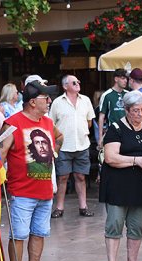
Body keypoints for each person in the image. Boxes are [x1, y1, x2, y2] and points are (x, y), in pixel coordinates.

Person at [0, 75, 60, 261]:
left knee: (39, 234)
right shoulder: (13, 123)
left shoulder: (48, 123)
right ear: (33, 101)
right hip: (21, 191)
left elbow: (58, 140)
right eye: (46, 98)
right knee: (19, 235)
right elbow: (1, 153)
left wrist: (54, 153)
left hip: (44, 190)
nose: (49, 101)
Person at [100, 90, 142, 261]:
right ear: (126, 110)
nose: (140, 114)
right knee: (115, 224)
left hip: (141, 186)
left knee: (137, 226)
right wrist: (135, 160)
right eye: (136, 110)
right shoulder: (116, 128)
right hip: (118, 184)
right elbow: (111, 157)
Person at [49, 74, 96, 218]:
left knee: (80, 176)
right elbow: (51, 124)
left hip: (82, 144)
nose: (78, 83)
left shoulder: (86, 100)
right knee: (63, 177)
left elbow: (89, 122)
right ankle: (59, 207)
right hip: (64, 146)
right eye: (74, 82)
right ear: (65, 86)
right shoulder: (57, 102)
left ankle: (83, 206)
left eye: (78, 81)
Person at [98, 69, 129, 149]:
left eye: (126, 78)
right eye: (122, 78)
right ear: (116, 79)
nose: (125, 80)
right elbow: (101, 117)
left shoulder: (128, 94)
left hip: (127, 131)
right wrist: (100, 137)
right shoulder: (107, 95)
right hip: (112, 131)